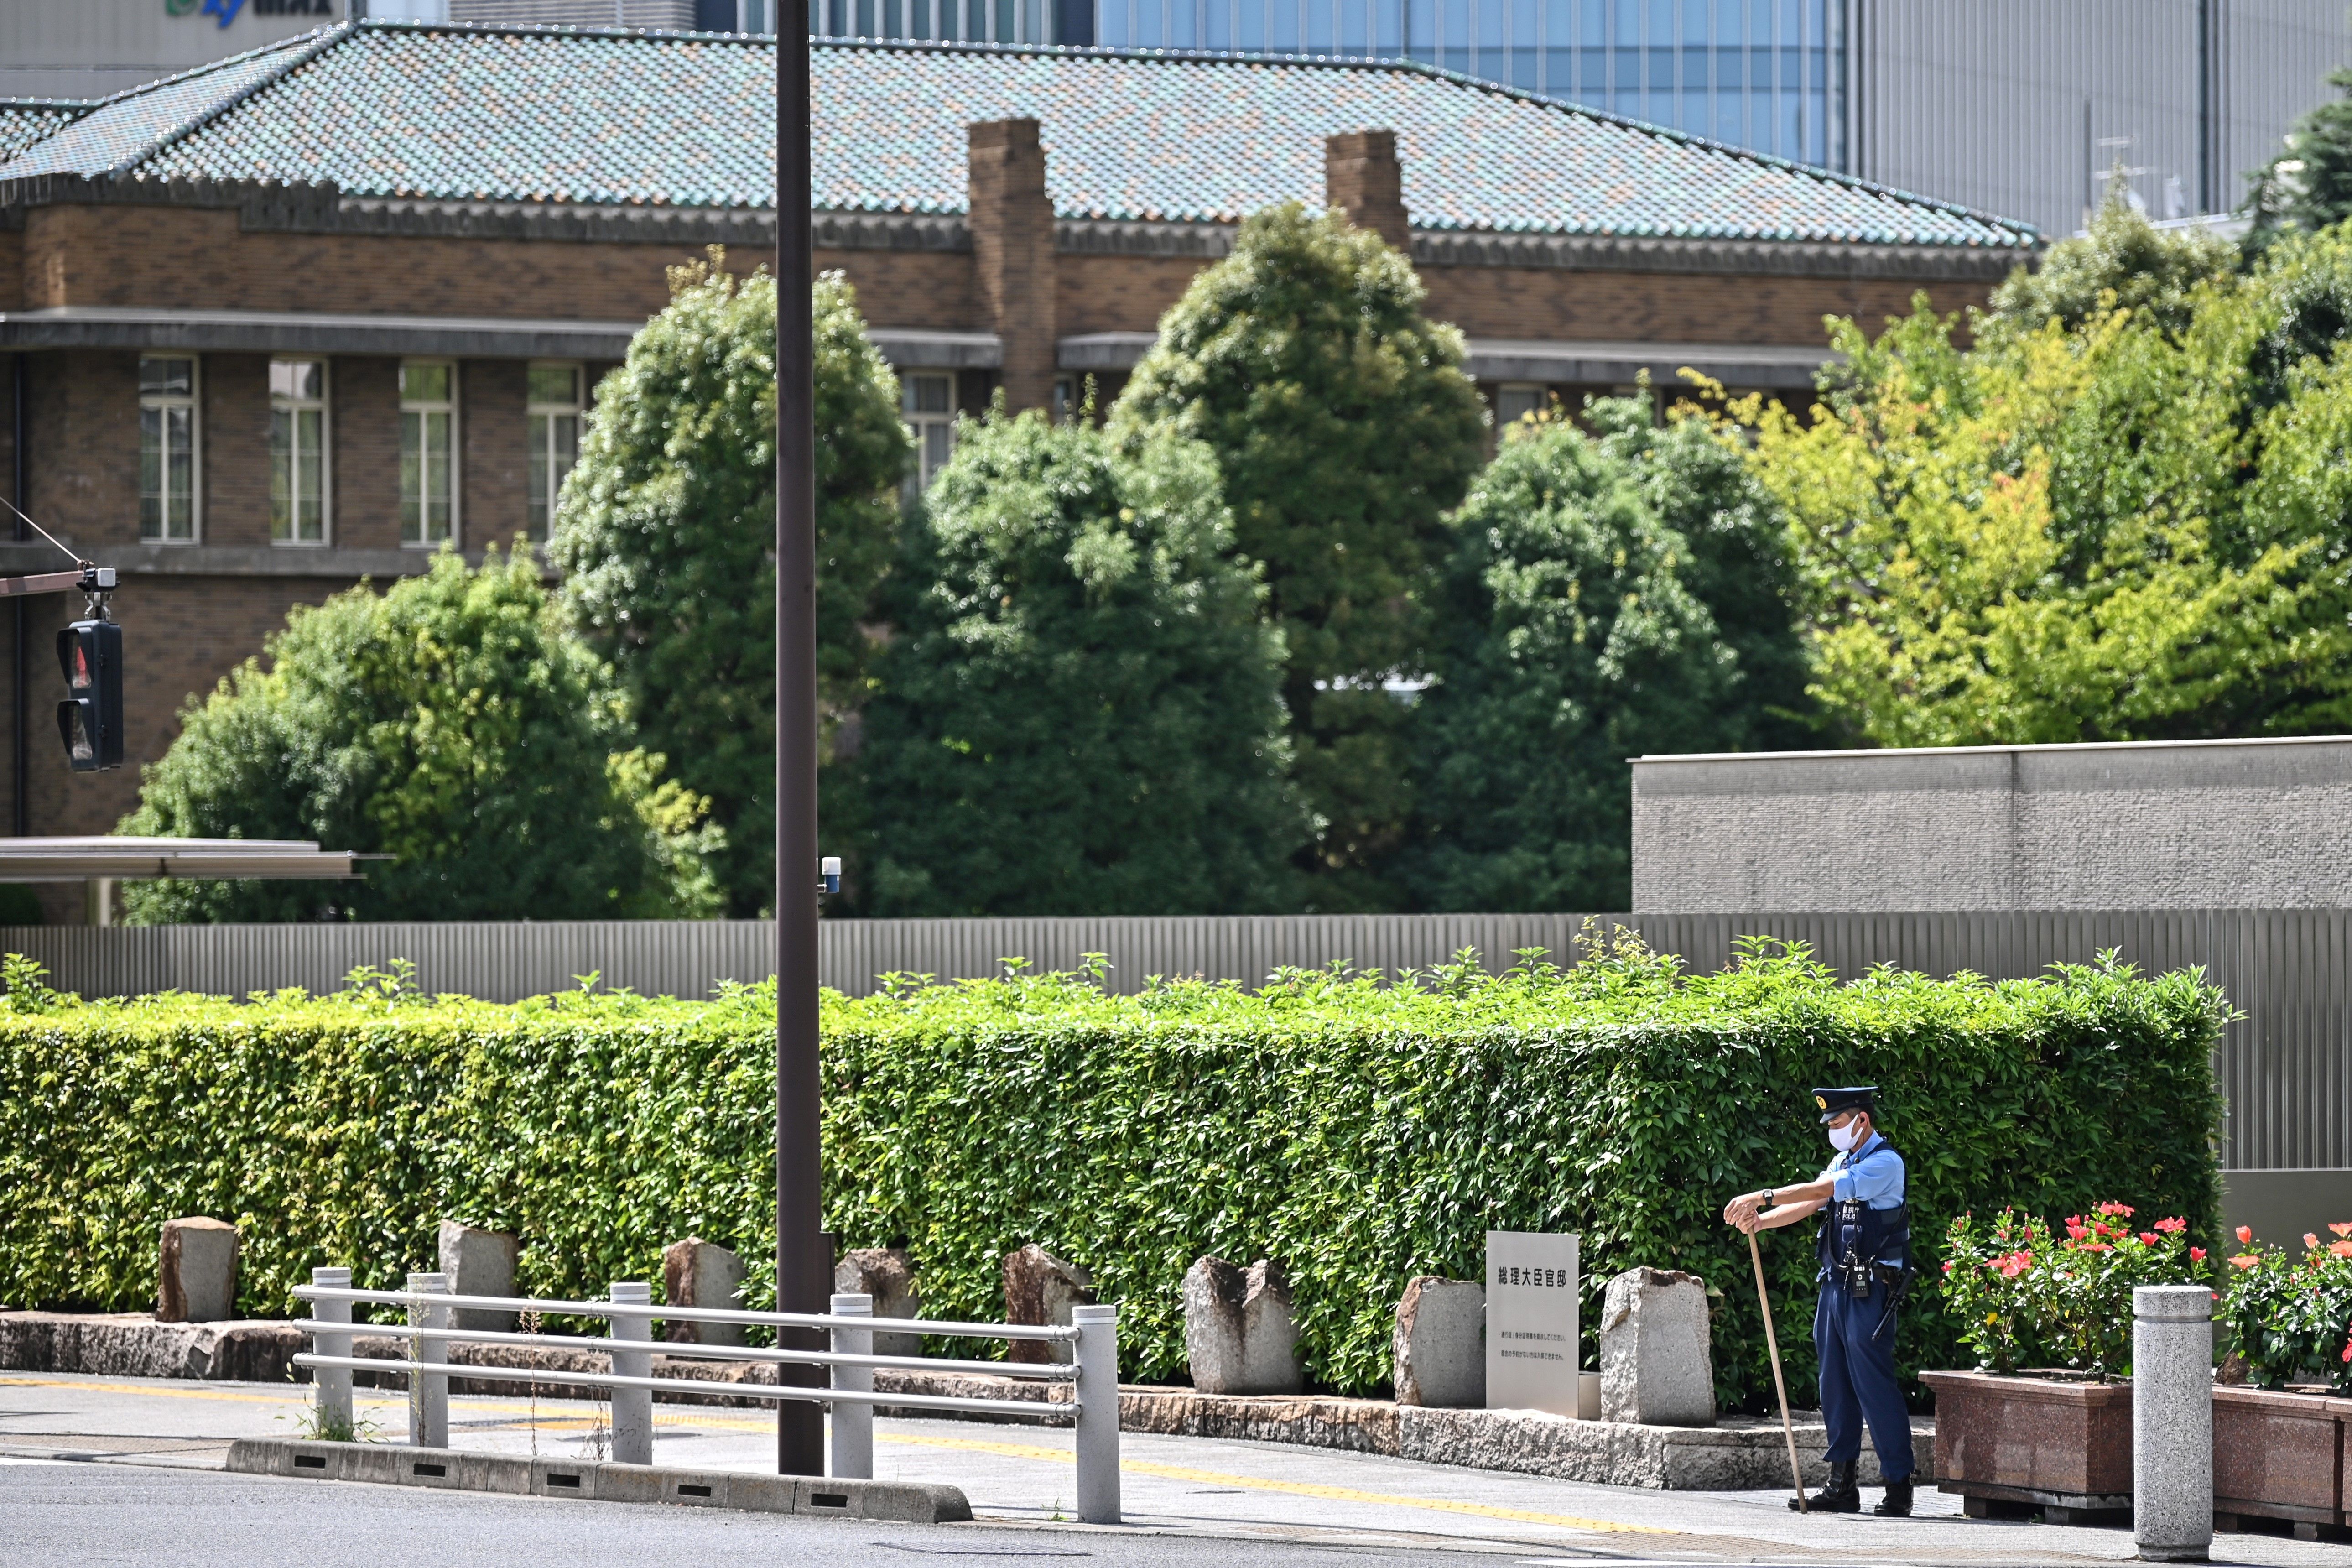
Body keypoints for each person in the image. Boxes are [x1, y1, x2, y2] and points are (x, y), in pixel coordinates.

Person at [1721, 1085, 1914, 1517]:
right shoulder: (1843, 1159)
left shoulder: (1886, 1162)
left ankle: (1898, 1483)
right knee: (1834, 1384)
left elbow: (1824, 1189)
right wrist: (1761, 1222)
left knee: (1874, 1385)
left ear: (1862, 1119)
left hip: (1871, 1289)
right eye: (1829, 1125)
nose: (1833, 1131)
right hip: (1835, 1285)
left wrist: (1763, 1195)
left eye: (1839, 1122)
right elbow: (1812, 1202)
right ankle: (1841, 1483)